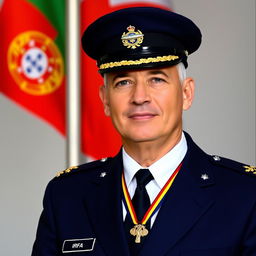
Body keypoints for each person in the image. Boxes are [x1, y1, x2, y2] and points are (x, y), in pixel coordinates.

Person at [32, 7, 256, 256]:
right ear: (105, 99)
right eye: (123, 82)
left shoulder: (245, 195)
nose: (139, 97)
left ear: (186, 93)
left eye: (157, 79)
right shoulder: (66, 196)